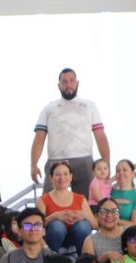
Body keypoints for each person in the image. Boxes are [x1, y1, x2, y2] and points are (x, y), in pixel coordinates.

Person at [31, 68, 109, 196]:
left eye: (72, 81)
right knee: (49, 201)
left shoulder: (89, 106)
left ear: (77, 83)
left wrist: (106, 163)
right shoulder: (49, 108)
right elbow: (39, 138)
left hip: (84, 160)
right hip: (55, 160)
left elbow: (100, 136)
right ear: (59, 85)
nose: (68, 84)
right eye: (64, 81)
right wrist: (33, 165)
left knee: (88, 201)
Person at [37, 161, 96, 255]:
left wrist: (84, 215)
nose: (62, 177)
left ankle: (83, 260)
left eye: (65, 174)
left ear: (71, 177)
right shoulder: (43, 200)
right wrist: (54, 216)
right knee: (57, 226)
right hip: (53, 239)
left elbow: (95, 225)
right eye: (58, 174)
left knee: (83, 225)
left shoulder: (80, 198)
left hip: (77, 239)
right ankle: (51, 258)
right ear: (51, 178)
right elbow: (35, 225)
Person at [80, 197, 126, 263]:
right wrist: (104, 257)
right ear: (96, 216)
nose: (109, 215)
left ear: (119, 215)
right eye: (104, 211)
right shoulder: (90, 240)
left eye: (114, 211)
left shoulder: (129, 232)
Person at [109, 159, 136, 231]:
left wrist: (113, 220)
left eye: (124, 170)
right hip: (107, 233)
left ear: (133, 174)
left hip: (128, 234)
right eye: (118, 171)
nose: (121, 173)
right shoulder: (109, 192)